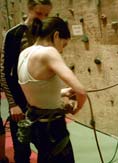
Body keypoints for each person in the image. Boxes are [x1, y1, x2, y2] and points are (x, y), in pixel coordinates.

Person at [17, 16, 87, 163]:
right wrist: (76, 108)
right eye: (64, 44)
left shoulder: (24, 53)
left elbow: (33, 89)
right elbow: (81, 91)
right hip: (52, 129)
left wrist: (62, 92)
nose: (61, 51)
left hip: (36, 126)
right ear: (56, 36)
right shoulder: (48, 52)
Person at [0, 1, 52, 163]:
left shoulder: (47, 35)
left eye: (46, 15)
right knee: (22, 151)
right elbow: (4, 71)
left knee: (48, 149)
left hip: (42, 103)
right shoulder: (14, 34)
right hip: (21, 103)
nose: (42, 18)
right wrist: (12, 103)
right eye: (39, 13)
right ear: (29, 10)